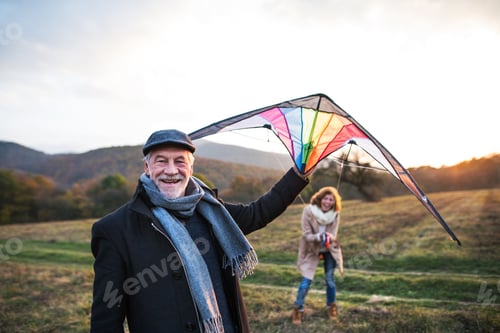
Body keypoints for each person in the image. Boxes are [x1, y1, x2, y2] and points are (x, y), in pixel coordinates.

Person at [90, 129, 311, 333]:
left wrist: (298, 174)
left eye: (179, 161)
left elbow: (258, 213)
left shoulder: (212, 211)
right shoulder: (115, 230)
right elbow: (106, 318)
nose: (171, 170)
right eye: (161, 161)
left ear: (191, 168)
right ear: (147, 168)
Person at [291, 186, 344, 325]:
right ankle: (298, 309)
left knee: (330, 280)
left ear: (334, 202)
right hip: (312, 249)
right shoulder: (308, 211)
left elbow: (333, 233)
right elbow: (307, 235)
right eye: (326, 198)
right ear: (320, 198)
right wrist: (319, 236)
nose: (327, 202)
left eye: (331, 200)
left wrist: (329, 237)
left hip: (328, 250)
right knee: (306, 282)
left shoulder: (335, 213)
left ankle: (331, 306)